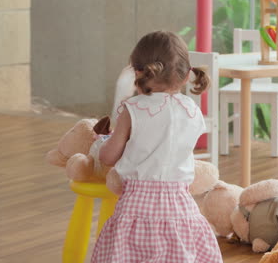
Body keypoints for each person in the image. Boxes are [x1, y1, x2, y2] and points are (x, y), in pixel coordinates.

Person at [91, 31, 223, 263]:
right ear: (184, 77)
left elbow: (109, 157)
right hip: (180, 206)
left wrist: (100, 145)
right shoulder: (192, 111)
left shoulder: (133, 109)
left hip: (137, 206)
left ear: (138, 72)